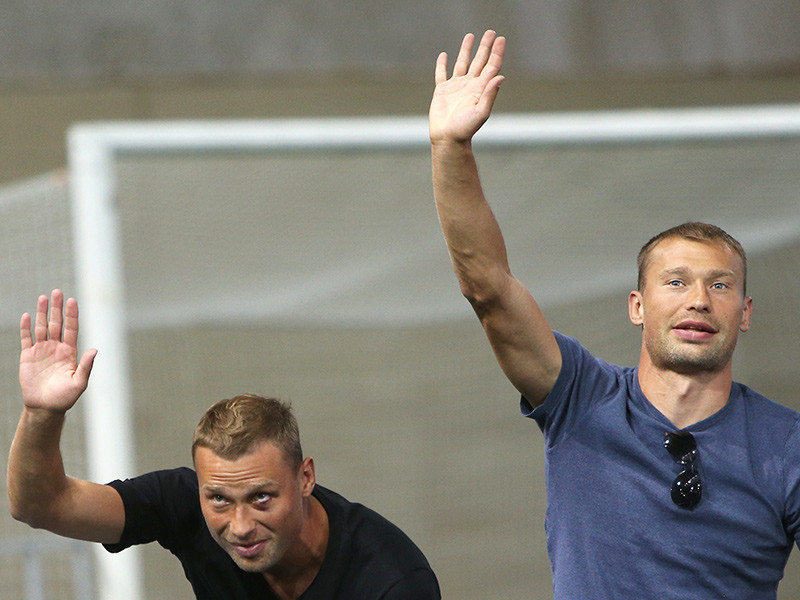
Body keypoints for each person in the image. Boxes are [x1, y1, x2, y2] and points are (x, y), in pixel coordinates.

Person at [429, 30, 800, 599]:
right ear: (637, 306)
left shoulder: (787, 444)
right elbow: (488, 289)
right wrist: (450, 147)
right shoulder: (581, 397)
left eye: (720, 285)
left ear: (745, 312)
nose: (698, 299)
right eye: (675, 282)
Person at [7, 290, 441, 600]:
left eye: (261, 498)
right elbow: (41, 506)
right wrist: (42, 413)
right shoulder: (183, 505)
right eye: (218, 499)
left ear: (305, 477)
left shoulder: (392, 580)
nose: (240, 526)